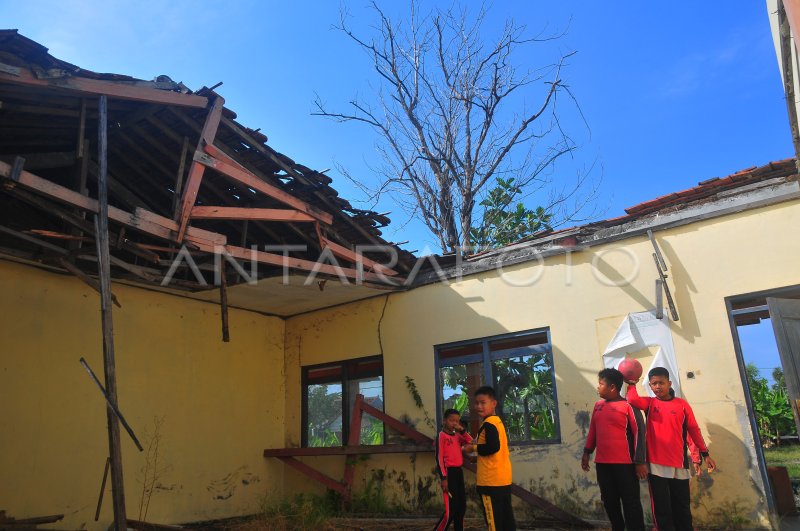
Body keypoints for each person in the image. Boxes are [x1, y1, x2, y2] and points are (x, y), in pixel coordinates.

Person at [625, 367, 717, 531]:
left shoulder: (682, 405)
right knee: (661, 507)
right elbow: (632, 399)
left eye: (661, 382)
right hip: (656, 465)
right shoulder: (650, 403)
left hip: (679, 464)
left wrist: (705, 454)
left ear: (669, 383)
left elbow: (694, 430)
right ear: (651, 386)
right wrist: (631, 383)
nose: (658, 386)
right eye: (654, 384)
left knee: (681, 505)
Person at [581, 368, 647, 531]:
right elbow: (593, 431)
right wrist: (587, 452)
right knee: (609, 501)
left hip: (625, 465)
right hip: (603, 464)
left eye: (601, 384)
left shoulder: (628, 406)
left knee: (630, 502)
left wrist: (639, 462)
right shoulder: (598, 406)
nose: (598, 387)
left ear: (612, 387)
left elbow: (640, 433)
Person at [463, 386, 515, 531]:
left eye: (483, 402)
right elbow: (493, 452)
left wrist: (472, 448)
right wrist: (476, 458)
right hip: (502, 479)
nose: (479, 406)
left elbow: (492, 447)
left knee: (494, 523)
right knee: (506, 520)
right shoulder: (497, 422)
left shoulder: (488, 424)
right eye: (476, 403)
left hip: (490, 482)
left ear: (494, 403)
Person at [433, 408, 473, 531]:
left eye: (457, 421)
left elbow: (471, 442)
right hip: (448, 473)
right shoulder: (441, 436)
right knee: (451, 509)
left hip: (458, 472)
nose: (454, 423)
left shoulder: (457, 435)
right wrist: (443, 478)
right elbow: (439, 458)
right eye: (451, 420)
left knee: (461, 507)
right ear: (445, 420)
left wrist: (462, 430)